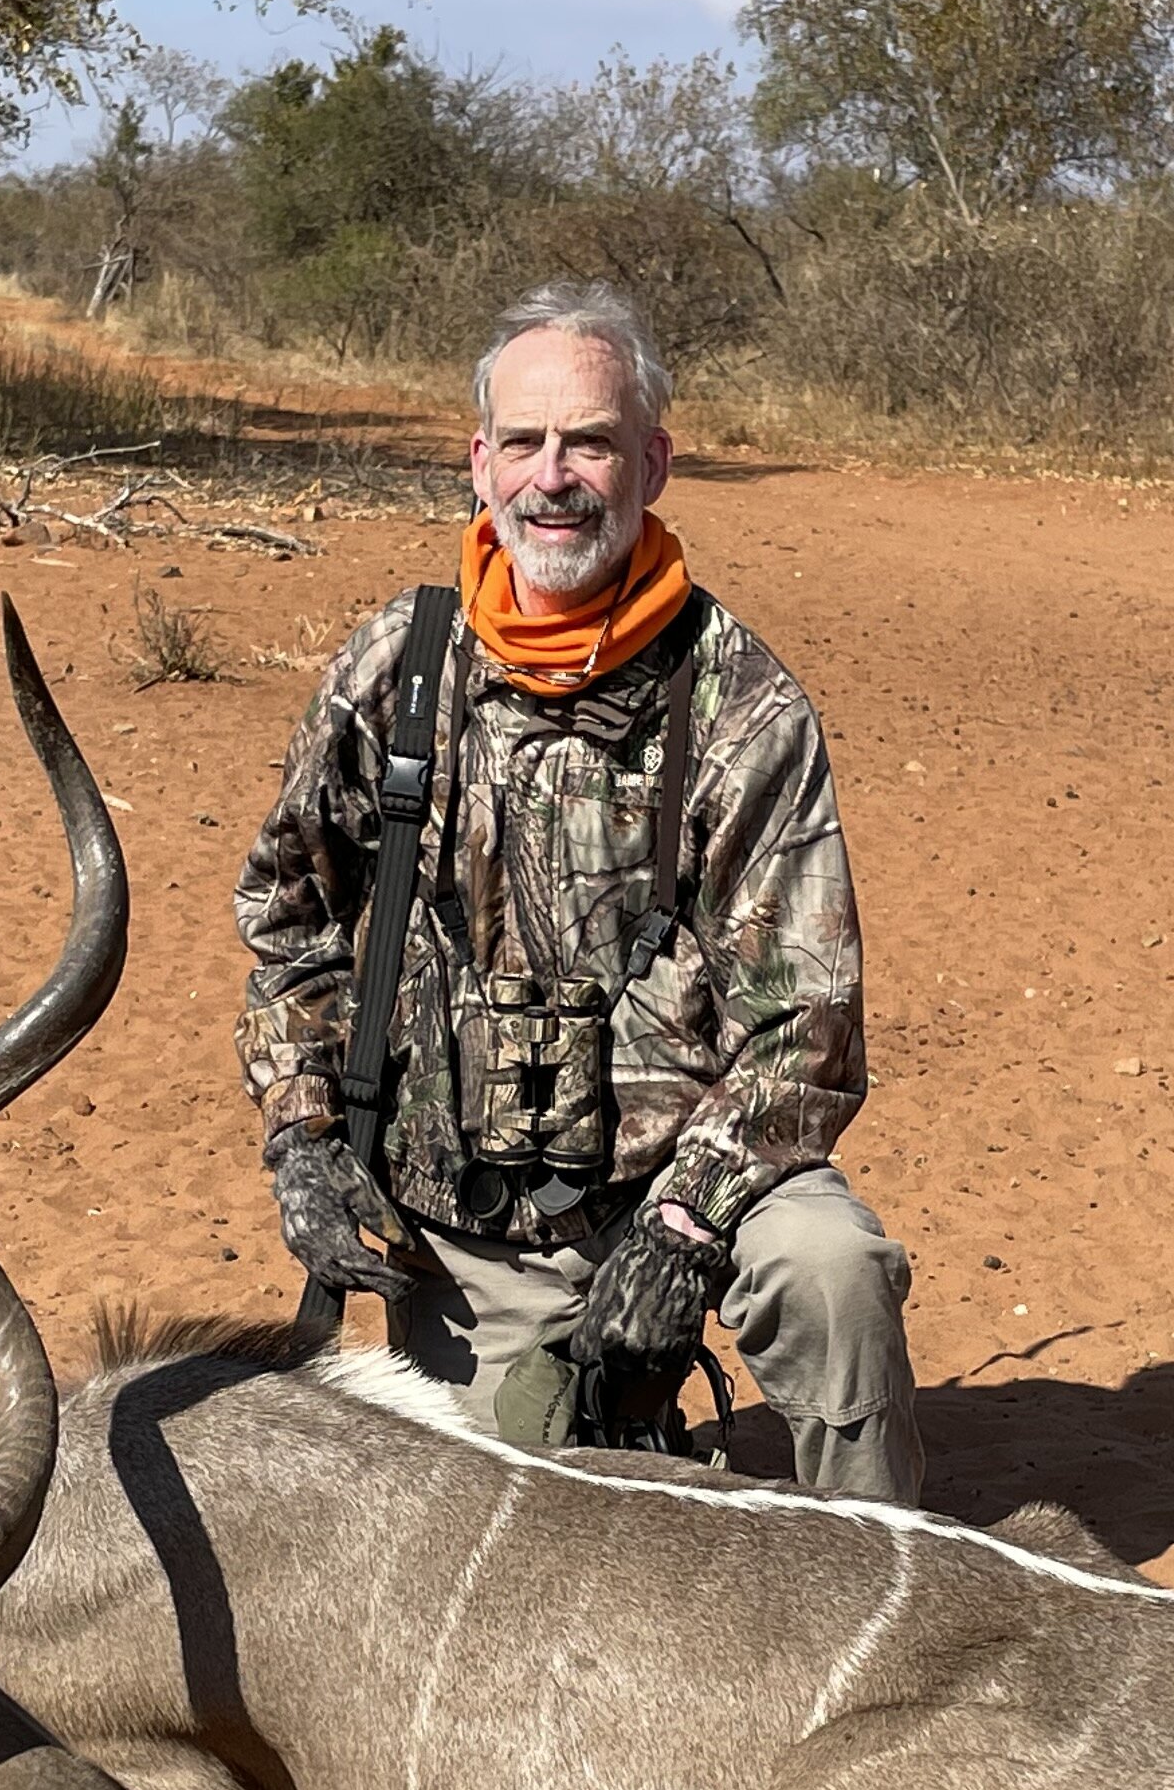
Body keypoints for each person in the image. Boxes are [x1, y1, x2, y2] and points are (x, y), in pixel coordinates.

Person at [234, 281, 921, 1504]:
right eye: (525, 442)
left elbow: (806, 1033)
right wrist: (303, 1137)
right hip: (467, 1220)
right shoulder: (397, 666)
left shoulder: (740, 700)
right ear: (478, 463)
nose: (556, 476)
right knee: (510, 1531)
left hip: (685, 1183)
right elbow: (290, 925)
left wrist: (682, 1229)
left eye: (591, 442)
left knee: (833, 1271)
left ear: (651, 463)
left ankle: (900, 1585)